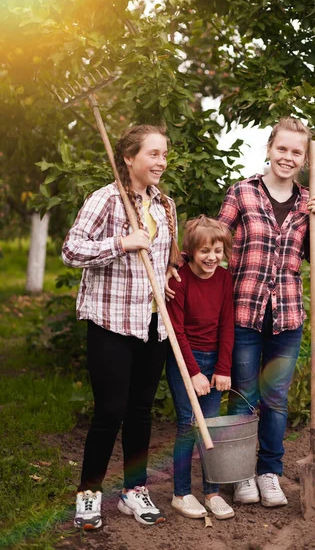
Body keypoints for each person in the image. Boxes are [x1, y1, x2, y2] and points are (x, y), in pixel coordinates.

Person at [62, 124, 180, 529]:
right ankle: (89, 496)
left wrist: (166, 274)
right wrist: (121, 244)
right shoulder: (105, 200)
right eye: (153, 154)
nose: (161, 162)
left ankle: (134, 491)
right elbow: (71, 250)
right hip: (111, 321)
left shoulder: (166, 205)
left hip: (152, 323)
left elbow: (165, 257)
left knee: (141, 412)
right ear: (129, 158)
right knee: (110, 410)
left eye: (164, 155)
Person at [217, 117, 315, 508]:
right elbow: (217, 242)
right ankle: (242, 474)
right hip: (245, 312)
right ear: (269, 148)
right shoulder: (242, 193)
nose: (288, 157)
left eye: (296, 152)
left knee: (276, 399)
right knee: (245, 395)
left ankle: (269, 472)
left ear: (304, 159)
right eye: (282, 148)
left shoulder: (307, 201)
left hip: (287, 316)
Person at [166, 215, 235, 520]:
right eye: (205, 251)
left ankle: (212, 492)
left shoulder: (224, 279)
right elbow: (176, 331)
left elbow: (227, 326)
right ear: (191, 251)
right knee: (187, 427)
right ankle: (181, 493)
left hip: (212, 359)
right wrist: (193, 372)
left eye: (217, 251)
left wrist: (222, 368)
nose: (212, 258)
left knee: (212, 429)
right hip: (184, 360)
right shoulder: (179, 279)